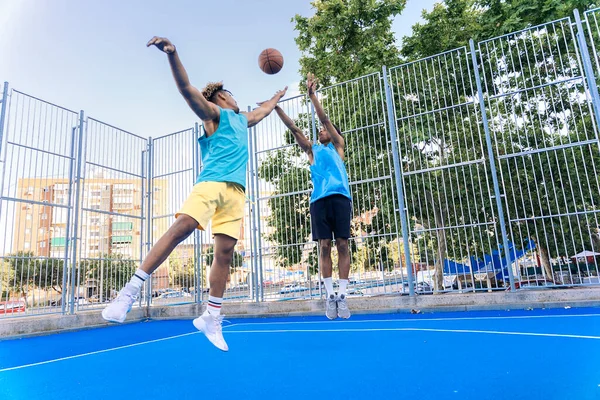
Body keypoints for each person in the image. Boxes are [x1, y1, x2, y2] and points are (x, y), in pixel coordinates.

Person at [102, 36, 287, 352]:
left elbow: (265, 111)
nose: (232, 96)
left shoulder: (244, 119)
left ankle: (211, 316)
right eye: (228, 93)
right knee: (180, 229)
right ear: (219, 99)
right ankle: (128, 293)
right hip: (211, 183)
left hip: (236, 192)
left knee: (225, 254)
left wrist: (276, 96)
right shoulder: (214, 115)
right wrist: (173, 55)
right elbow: (187, 90)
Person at [270, 73, 352, 320]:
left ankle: (343, 296)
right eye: (319, 131)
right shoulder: (312, 150)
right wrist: (276, 107)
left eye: (324, 130)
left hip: (340, 198)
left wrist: (312, 95)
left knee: (343, 245)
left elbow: (324, 118)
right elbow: (294, 128)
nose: (321, 131)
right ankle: (330, 296)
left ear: (332, 132)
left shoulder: (338, 146)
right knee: (324, 246)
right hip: (319, 201)